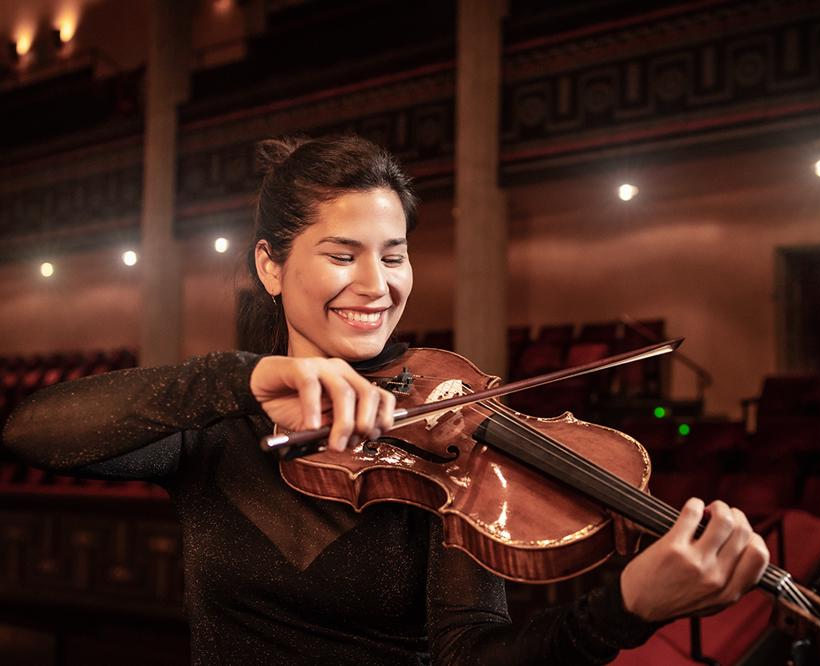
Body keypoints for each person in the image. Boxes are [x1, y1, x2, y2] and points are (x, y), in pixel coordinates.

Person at [3, 135, 769, 665]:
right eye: (343, 255)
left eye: (394, 256)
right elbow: (32, 431)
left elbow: (475, 658)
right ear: (270, 266)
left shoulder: (448, 439)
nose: (378, 287)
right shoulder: (214, 428)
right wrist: (239, 378)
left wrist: (625, 608)